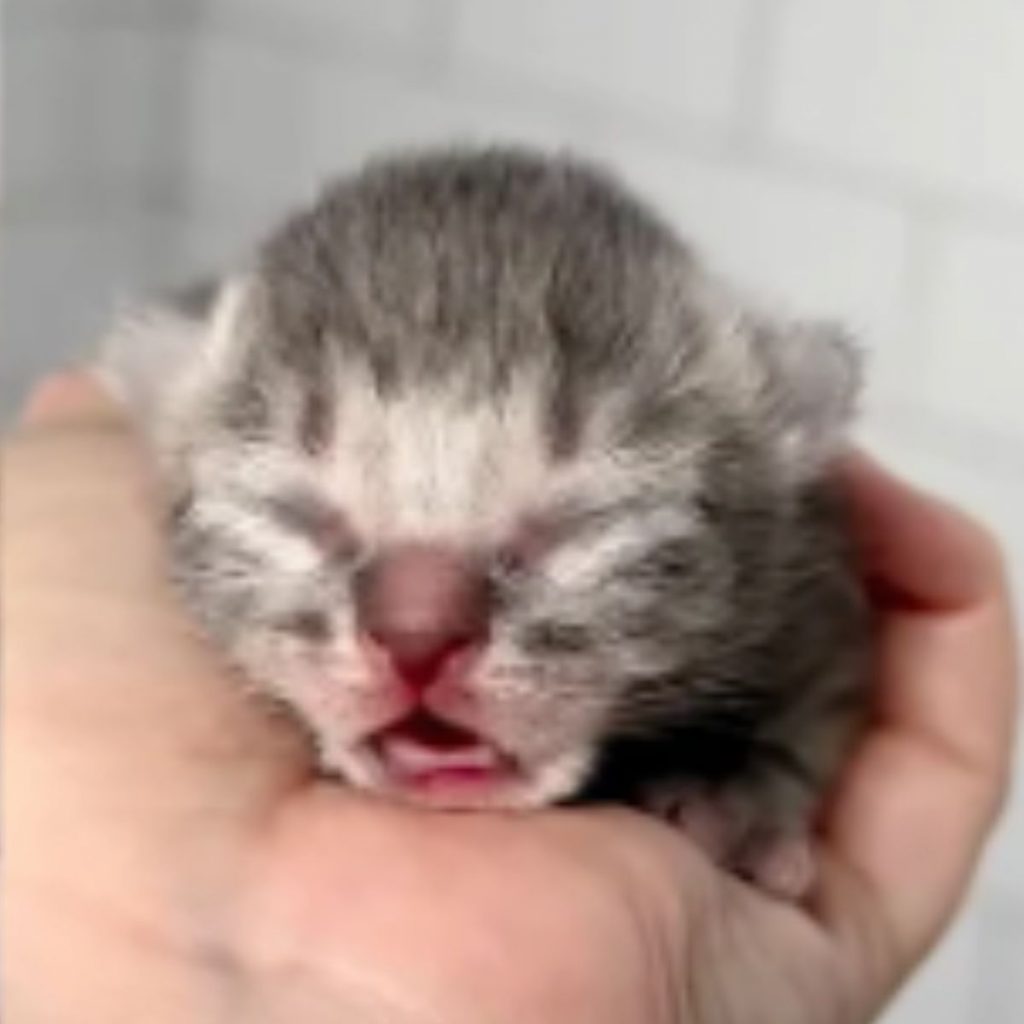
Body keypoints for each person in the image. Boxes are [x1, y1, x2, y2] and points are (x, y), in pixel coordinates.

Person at [3, 373, 1018, 1024]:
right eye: (311, 511)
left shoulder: (783, 576)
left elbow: (828, 674)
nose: (413, 633)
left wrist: (774, 780)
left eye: (579, 518)